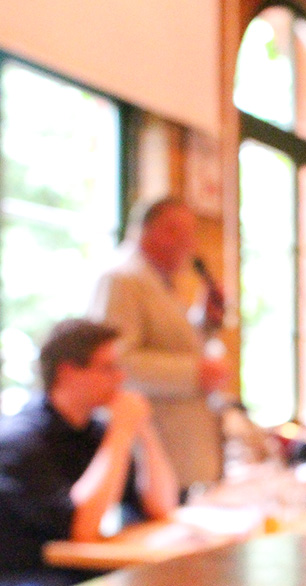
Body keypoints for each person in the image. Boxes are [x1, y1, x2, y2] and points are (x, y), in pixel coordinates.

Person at [0, 318, 180, 586]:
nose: (120, 378)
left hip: (75, 573)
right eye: (108, 368)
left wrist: (144, 431)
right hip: (19, 581)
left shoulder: (93, 433)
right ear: (68, 372)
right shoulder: (18, 439)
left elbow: (160, 507)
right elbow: (80, 529)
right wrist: (120, 432)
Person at [89, 197, 228, 494]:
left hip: (179, 456)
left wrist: (204, 321)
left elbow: (171, 347)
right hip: (148, 455)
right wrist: (195, 373)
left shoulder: (160, 281)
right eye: (175, 231)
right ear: (144, 229)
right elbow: (116, 363)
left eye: (190, 234)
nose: (188, 243)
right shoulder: (123, 279)